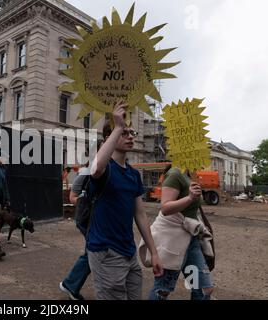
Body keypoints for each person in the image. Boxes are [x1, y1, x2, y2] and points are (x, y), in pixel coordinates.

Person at [86, 100, 163, 300]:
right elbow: (95, 169)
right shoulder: (105, 168)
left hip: (129, 254)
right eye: (124, 133)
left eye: (131, 133)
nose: (130, 136)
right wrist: (117, 125)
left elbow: (140, 214)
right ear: (109, 137)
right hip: (106, 252)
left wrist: (153, 252)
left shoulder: (133, 174)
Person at [142, 165, 215, 300]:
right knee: (162, 290)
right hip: (173, 241)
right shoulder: (175, 173)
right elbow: (165, 207)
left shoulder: (190, 175)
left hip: (191, 239)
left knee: (204, 288)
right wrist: (189, 198)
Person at [59, 163, 94, 301]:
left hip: (100, 220)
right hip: (87, 219)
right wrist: (86, 201)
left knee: (94, 252)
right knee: (94, 252)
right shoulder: (86, 173)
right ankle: (71, 284)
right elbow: (72, 197)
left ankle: (71, 285)